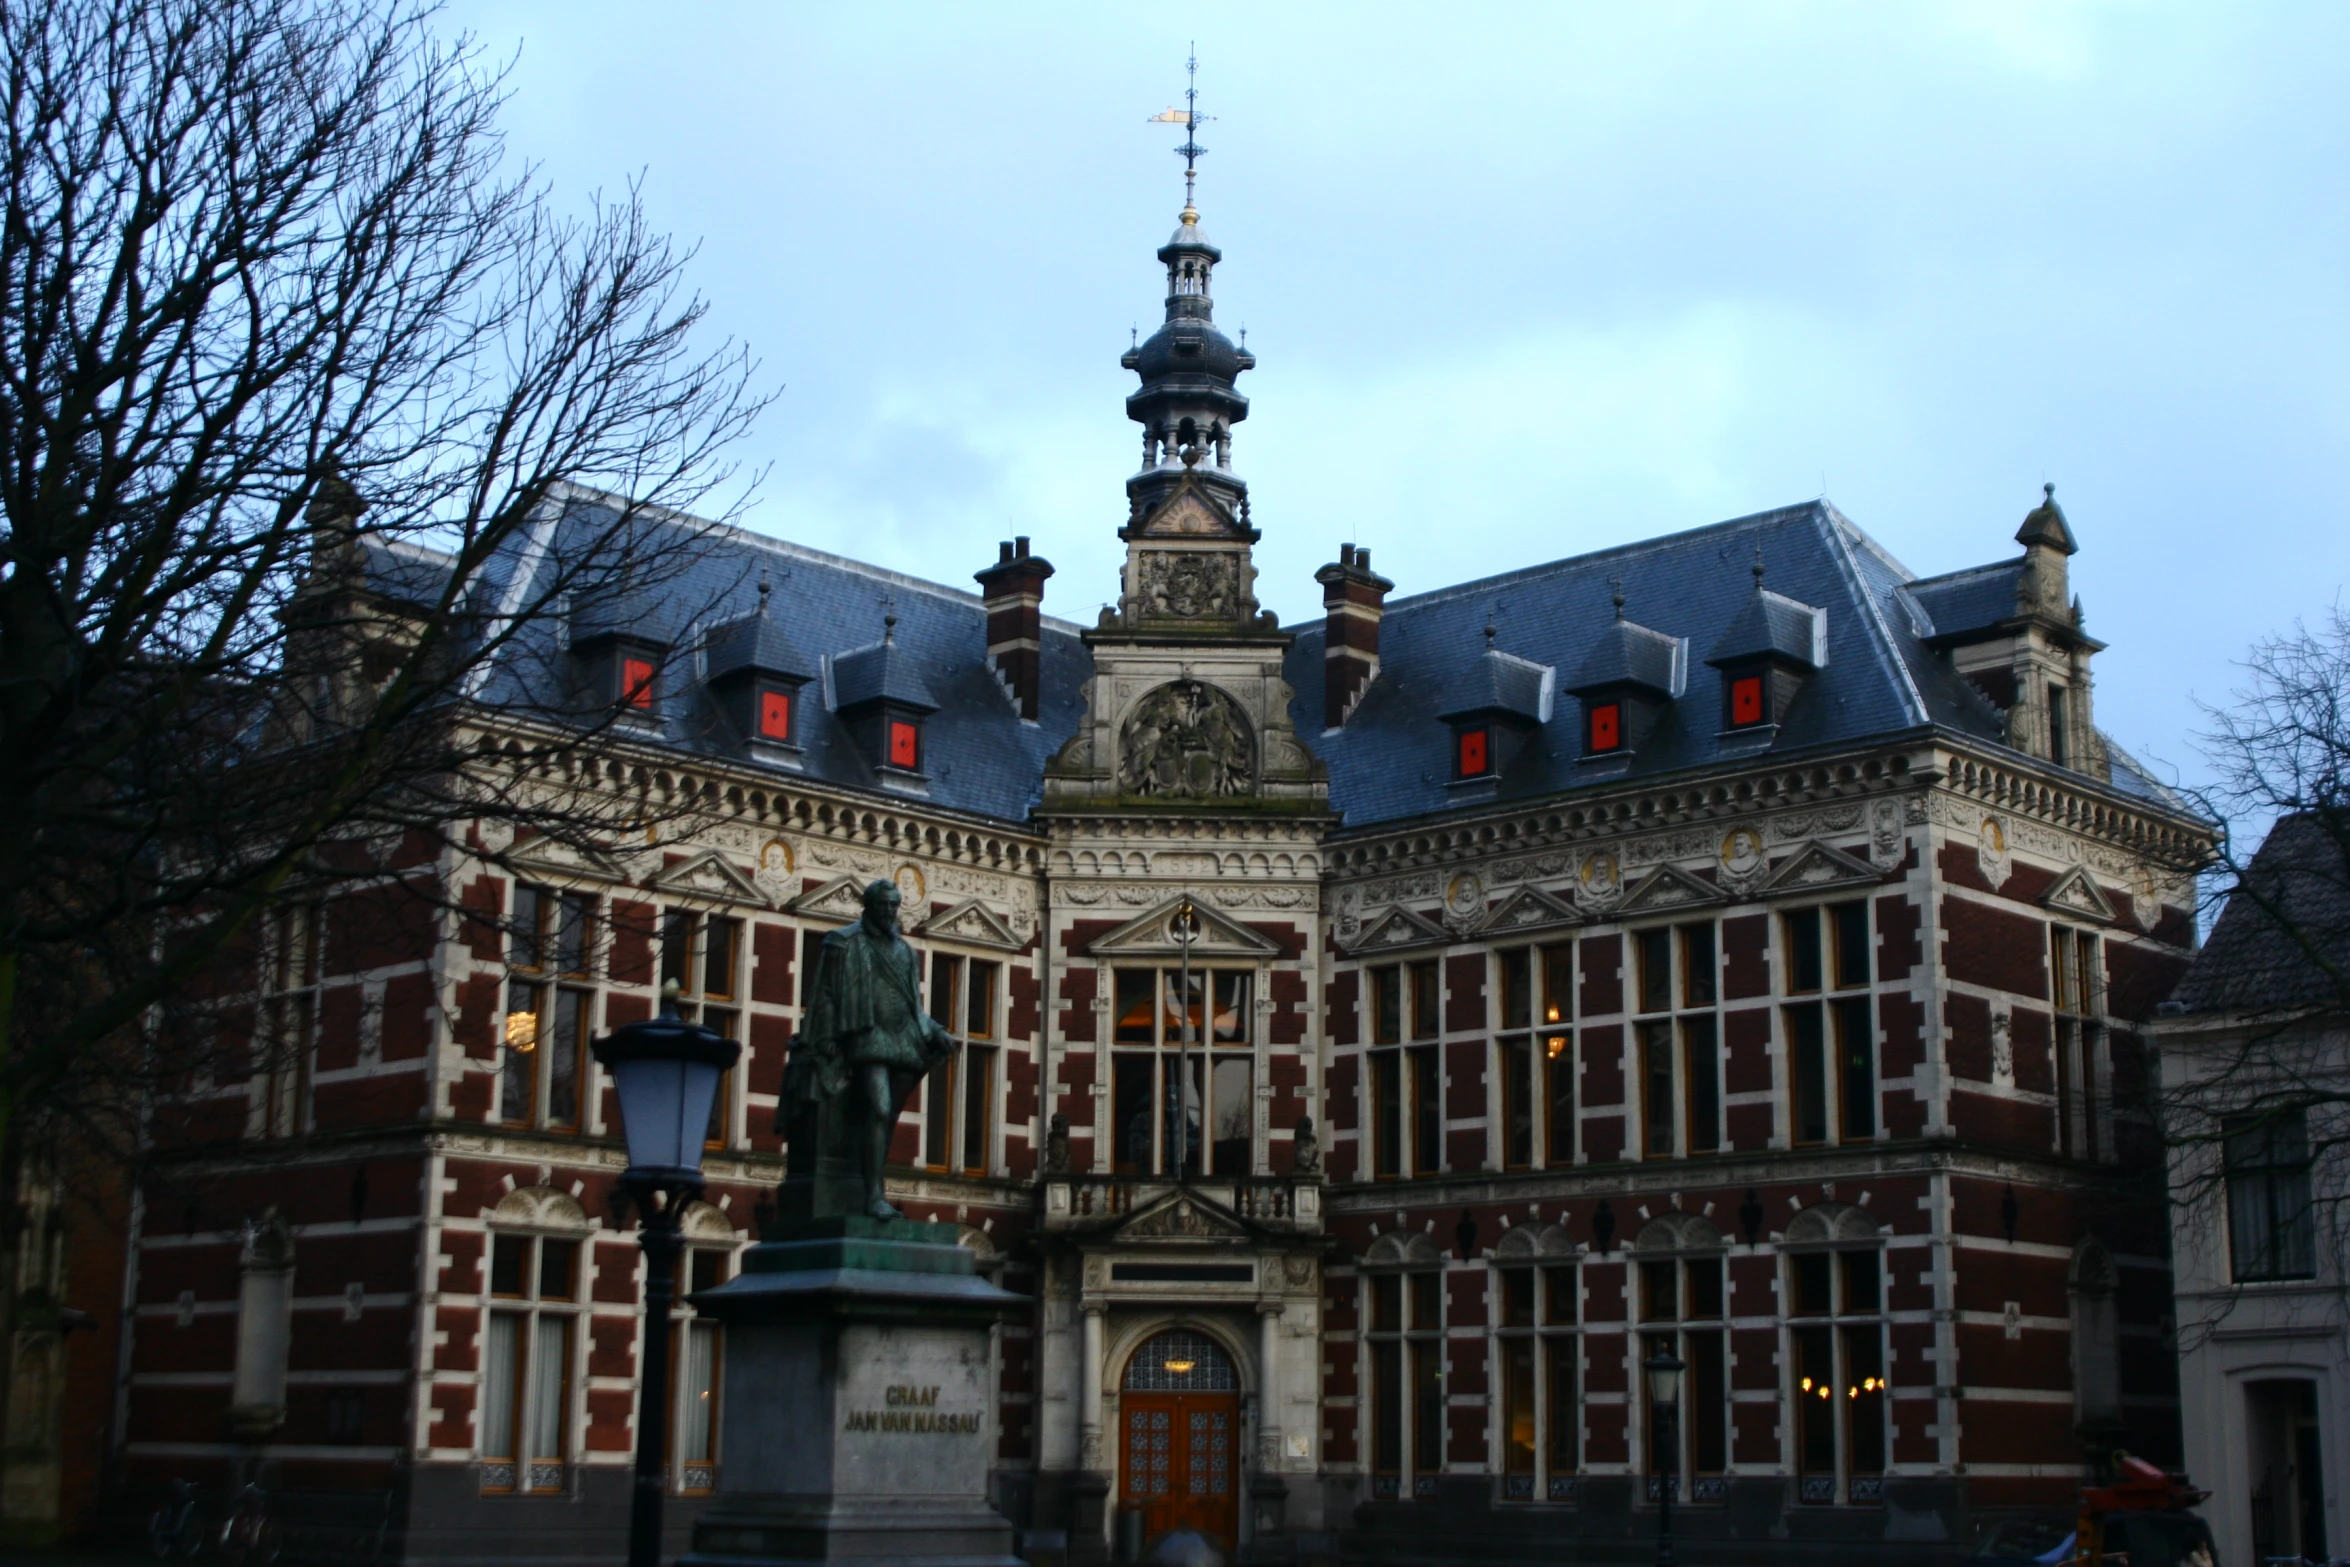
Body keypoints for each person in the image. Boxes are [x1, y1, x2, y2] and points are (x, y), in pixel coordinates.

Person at [784, 879, 957, 1220]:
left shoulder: (906, 952)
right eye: (883, 906)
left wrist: (936, 1029)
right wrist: (824, 1038)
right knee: (879, 1108)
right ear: (868, 906)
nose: (889, 912)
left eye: (893, 906)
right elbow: (824, 995)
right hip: (866, 1034)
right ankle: (873, 1196)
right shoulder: (843, 942)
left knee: (889, 1115)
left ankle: (870, 1178)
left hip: (903, 1036)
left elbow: (912, 1005)